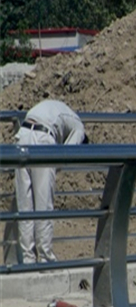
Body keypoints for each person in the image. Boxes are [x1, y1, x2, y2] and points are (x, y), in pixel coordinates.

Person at [14, 99, 88, 263]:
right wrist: (55, 169)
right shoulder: (79, 128)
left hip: (23, 134)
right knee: (44, 203)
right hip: (43, 139)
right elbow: (68, 153)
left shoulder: (63, 110)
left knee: (25, 205)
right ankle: (46, 259)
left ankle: (28, 259)